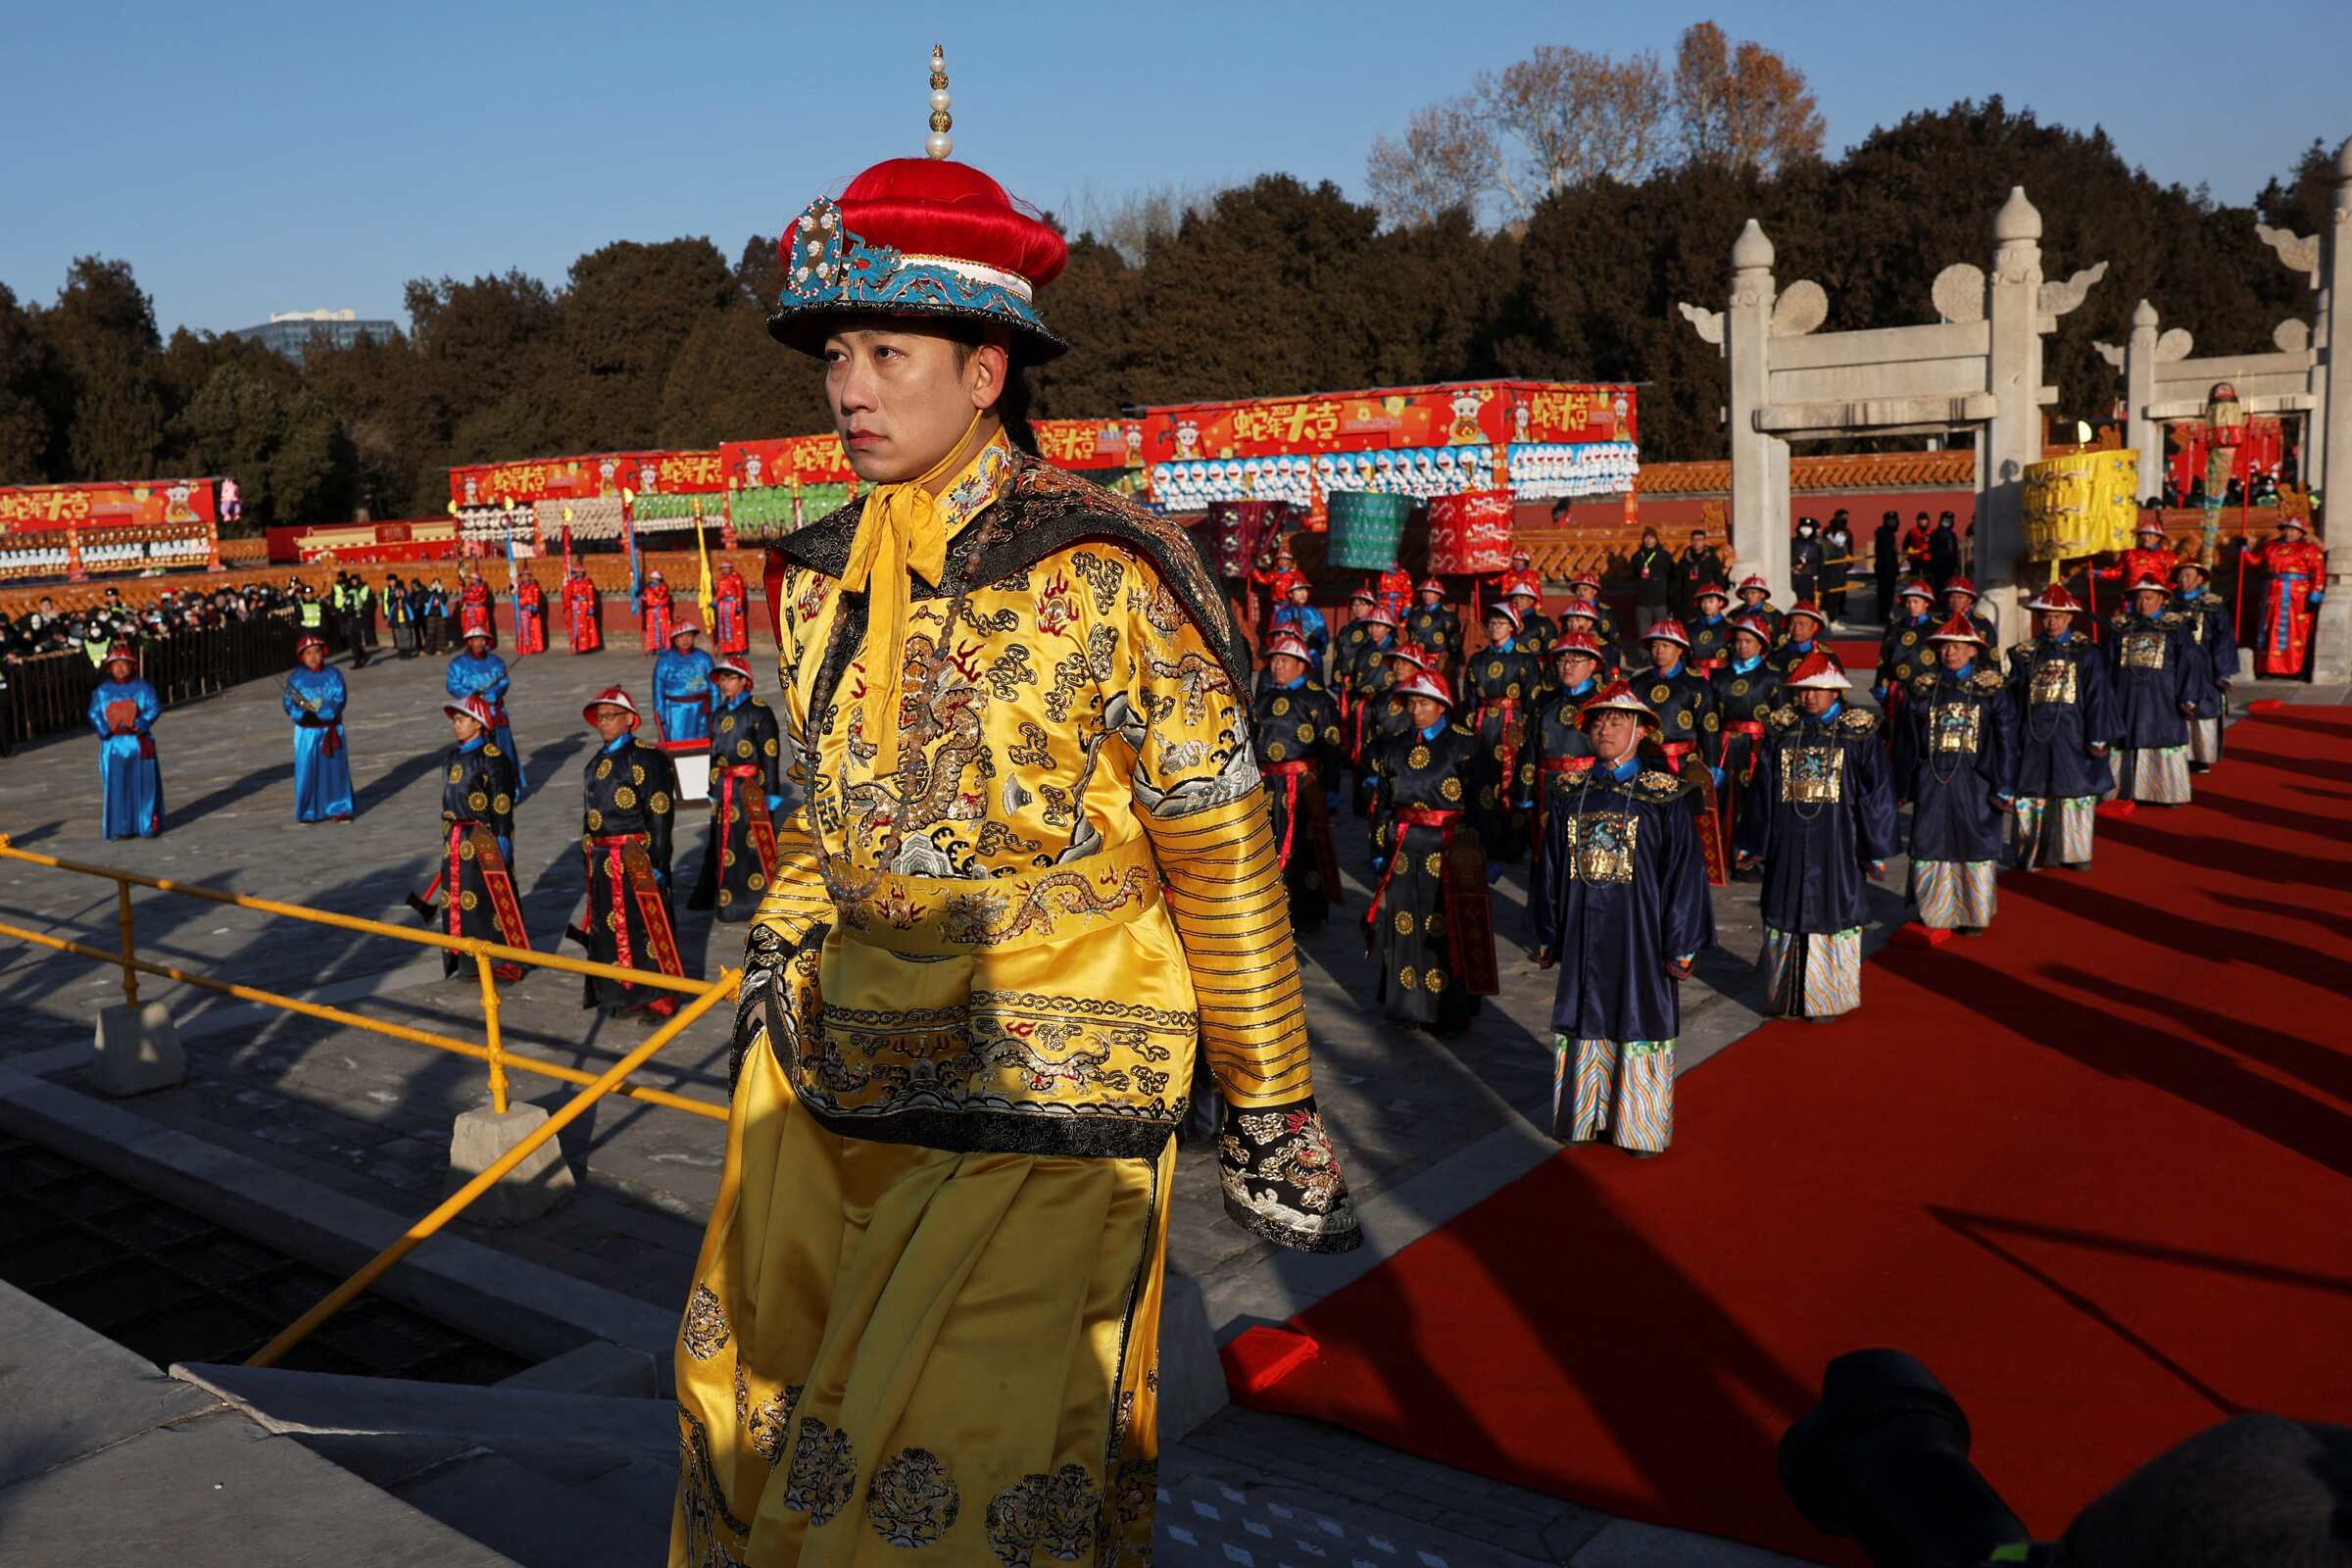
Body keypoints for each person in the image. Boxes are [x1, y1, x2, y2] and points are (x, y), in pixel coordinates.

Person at [669, 124, 1356, 1568]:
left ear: (988, 373)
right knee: (753, 1417)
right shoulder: (817, 582)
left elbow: (1221, 852)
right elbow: (816, 816)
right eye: (837, 355)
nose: (849, 390)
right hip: (833, 1052)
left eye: (888, 357)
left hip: (1050, 1070)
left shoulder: (1105, 571)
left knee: (959, 1482)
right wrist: (781, 955)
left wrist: (1272, 1098)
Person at [1531, 681, 1711, 1151]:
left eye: (1616, 721)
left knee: (1640, 1015)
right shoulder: (1571, 793)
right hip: (1584, 931)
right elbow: (1549, 865)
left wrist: (1682, 942)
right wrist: (1548, 930)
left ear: (1640, 731)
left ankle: (1639, 1124)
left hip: (1641, 934)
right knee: (1585, 1011)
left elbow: (1684, 875)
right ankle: (1586, 1115)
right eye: (1598, 722)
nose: (1605, 729)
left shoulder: (1666, 797)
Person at [1735, 652, 1898, 1019]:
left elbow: (1877, 791)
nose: (1809, 697)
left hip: (1838, 840)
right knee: (1785, 906)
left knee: (1831, 909)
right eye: (1803, 690)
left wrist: (1874, 847)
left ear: (1836, 692)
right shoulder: (1783, 731)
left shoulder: (1858, 733)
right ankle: (1785, 995)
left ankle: (1826, 998)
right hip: (1788, 838)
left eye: (1818, 689)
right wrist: (1751, 840)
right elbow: (1762, 789)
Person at [1364, 665, 1492, 1034]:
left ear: (1442, 705)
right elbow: (1382, 804)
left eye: (1424, 703)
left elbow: (1483, 804)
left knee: (1445, 926)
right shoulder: (1394, 746)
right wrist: (1378, 848)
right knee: (1404, 924)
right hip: (1404, 848)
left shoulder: (1465, 746)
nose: (1416, 710)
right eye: (1412, 703)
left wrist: (1484, 852)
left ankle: (1449, 1011)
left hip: (1449, 848)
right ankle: (1408, 1005)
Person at [1894, 617, 2015, 934]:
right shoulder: (1923, 690)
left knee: (1972, 842)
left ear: (1973, 651)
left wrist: (2003, 784)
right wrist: (1902, 784)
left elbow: (2005, 740)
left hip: (1975, 780)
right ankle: (1934, 910)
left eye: (1958, 647)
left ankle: (1972, 913)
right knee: (1930, 840)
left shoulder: (1991, 691)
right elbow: (1908, 742)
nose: (1951, 652)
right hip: (1933, 779)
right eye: (1945, 646)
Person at [574, 688, 682, 1017]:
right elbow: (588, 817)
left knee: (644, 928)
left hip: (637, 859)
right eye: (600, 718)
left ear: (629, 719)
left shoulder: (646, 758)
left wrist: (658, 861)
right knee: (609, 929)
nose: (604, 724)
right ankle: (620, 993)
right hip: (605, 863)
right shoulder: (595, 764)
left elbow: (660, 812)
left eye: (611, 716)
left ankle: (656, 997)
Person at [2005, 584, 2117, 871]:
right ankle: (2031, 851)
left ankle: (2074, 852)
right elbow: (2014, 701)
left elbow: (2098, 697)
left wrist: (2099, 735)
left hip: (2073, 733)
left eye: (2057, 616)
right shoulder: (2024, 654)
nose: (2052, 622)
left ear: (2069, 618)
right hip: (2033, 735)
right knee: (2032, 790)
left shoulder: (2087, 653)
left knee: (2073, 789)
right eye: (2046, 616)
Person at [424, 693, 527, 981]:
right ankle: (465, 960)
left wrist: (503, 837)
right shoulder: (451, 758)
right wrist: (448, 838)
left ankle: (499, 960)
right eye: (455, 720)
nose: (456, 725)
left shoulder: (493, 759)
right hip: (456, 841)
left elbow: (502, 803)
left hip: (483, 839)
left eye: (461, 719)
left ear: (479, 723)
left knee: (488, 901)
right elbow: (448, 802)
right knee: (456, 901)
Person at [1251, 630, 1345, 929]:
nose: (1276, 666)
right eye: (1273, 660)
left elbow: (1331, 745)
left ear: (1301, 664)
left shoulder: (1318, 699)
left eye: (1283, 660)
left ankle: (1305, 914)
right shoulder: (1263, 698)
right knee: (1266, 844)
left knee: (1304, 850)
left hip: (1303, 785)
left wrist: (1331, 788)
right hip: (1266, 784)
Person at [686, 656, 783, 923]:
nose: (724, 684)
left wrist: (772, 793)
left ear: (744, 680)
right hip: (725, 791)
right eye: (722, 679)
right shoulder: (718, 714)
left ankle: (758, 903)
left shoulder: (759, 711)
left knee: (753, 847)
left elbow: (770, 754)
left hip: (752, 791)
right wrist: (711, 788)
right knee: (725, 847)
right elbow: (713, 755)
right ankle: (729, 904)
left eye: (730, 678)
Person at [2106, 575, 2204, 807]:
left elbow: (2189, 664)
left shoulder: (2176, 628)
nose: (2143, 603)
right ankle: (2122, 790)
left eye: (2149, 598)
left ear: (2161, 599)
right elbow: (2106, 665)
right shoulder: (2120, 628)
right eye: (2139, 598)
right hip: (2126, 696)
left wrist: (2188, 696)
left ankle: (2162, 793)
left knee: (2161, 736)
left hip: (2163, 697)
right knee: (2124, 735)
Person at [1462, 602, 1542, 862]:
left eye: (1501, 622)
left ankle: (1513, 845)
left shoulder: (1525, 659)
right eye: (1492, 622)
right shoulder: (1478, 660)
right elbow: (1470, 699)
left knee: (1513, 781)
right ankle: (1484, 840)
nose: (1495, 627)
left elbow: (1532, 700)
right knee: (1483, 781)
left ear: (1513, 626)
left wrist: (1528, 732)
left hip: (1513, 725)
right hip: (1484, 725)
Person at [88, 643, 164, 840]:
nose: (120, 668)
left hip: (139, 742)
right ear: (109, 668)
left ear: (132, 666)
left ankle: (146, 824)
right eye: (116, 664)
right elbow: (94, 712)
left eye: (124, 664)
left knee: (145, 786)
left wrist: (143, 722)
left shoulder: (143, 687)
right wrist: (105, 730)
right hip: (114, 745)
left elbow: (154, 707)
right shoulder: (102, 690)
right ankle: (122, 827)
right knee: (118, 787)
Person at [2170, 558, 2236, 768]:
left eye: (2188, 575)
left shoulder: (2212, 605)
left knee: (2203, 708)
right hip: (2174, 666)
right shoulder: (2169, 604)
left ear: (2199, 579)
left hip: (2204, 666)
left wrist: (2222, 671)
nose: (2183, 579)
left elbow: (2224, 638)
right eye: (2180, 575)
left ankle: (2201, 755)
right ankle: (2180, 754)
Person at [282, 633, 354, 824]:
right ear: (302, 657)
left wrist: (322, 714)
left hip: (329, 729)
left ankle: (340, 807)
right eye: (308, 654)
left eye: (316, 652)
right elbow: (289, 703)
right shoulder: (296, 678)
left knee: (335, 769)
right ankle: (308, 810)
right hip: (306, 732)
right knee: (307, 770)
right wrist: (303, 715)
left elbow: (339, 699)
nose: (313, 657)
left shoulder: (334, 675)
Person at [2244, 515, 2326, 678]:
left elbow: (2319, 573)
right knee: (2269, 628)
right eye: (2286, 529)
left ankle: (2296, 669)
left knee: (2296, 631)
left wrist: (2315, 595)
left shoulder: (2310, 550)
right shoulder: (2270, 547)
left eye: (2293, 530)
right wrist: (2244, 549)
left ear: (2300, 532)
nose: (2289, 533)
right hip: (2272, 594)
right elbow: (2255, 562)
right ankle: (2269, 668)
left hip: (2297, 596)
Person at [445, 628, 525, 796]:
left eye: (481, 639)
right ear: (469, 642)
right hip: (471, 715)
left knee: (502, 751)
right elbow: (452, 685)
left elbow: (503, 682)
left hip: (495, 713)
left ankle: (508, 790)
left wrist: (492, 694)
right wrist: (472, 694)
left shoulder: (496, 662)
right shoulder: (458, 663)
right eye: (474, 640)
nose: (478, 643)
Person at [1874, 580, 1939, 708]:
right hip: (1898, 689)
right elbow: (1883, 658)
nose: (1911, 606)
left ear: (1926, 603)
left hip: (1927, 689)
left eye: (1916, 602)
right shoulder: (1894, 626)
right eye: (1908, 602)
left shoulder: (1937, 628)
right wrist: (1880, 685)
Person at [651, 620, 716, 746]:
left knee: (702, 743)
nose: (685, 639)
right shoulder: (665, 660)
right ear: (675, 640)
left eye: (688, 635)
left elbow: (714, 686)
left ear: (693, 637)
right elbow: (658, 687)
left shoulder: (704, 658)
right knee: (678, 744)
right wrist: (660, 712)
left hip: (701, 710)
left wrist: (715, 710)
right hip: (676, 710)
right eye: (681, 636)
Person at [1268, 569, 1329, 675]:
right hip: (1290, 655)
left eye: (1305, 590)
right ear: (1290, 593)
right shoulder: (1283, 613)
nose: (1303, 594)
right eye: (1299, 590)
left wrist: (1318, 646)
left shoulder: (1315, 612)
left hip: (1312, 655)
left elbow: (1323, 634)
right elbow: (1276, 636)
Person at [1404, 576, 1461, 678]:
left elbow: (1454, 640)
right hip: (1415, 658)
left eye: (1431, 592)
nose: (1427, 595)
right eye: (1424, 592)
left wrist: (1453, 661)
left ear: (1439, 595)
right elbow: (1407, 634)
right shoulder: (1414, 612)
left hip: (1437, 659)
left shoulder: (1447, 615)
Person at [1628, 525, 1675, 637]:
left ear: (1656, 539)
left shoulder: (1665, 556)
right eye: (1646, 538)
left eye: (1651, 537)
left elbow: (1672, 575)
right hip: (1642, 602)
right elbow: (1634, 576)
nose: (1648, 540)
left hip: (1660, 602)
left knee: (1663, 633)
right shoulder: (1637, 557)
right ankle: (1645, 655)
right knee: (1644, 634)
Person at [1501, 570, 1556, 664]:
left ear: (1531, 600)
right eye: (1514, 598)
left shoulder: (1543, 622)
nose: (1517, 601)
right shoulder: (1505, 621)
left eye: (1522, 598)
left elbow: (1551, 652)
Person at [1765, 601, 1829, 678]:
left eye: (1802, 624)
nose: (1796, 628)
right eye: (1793, 623)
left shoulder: (1826, 656)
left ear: (1815, 626)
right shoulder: (1775, 655)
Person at [1674, 528, 1725, 619]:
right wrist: (1677, 602)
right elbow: (1678, 582)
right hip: (1687, 603)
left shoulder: (1712, 559)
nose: (1696, 542)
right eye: (1693, 539)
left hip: (1705, 603)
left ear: (1704, 541)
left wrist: (1717, 600)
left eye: (1699, 539)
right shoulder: (1684, 560)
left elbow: (1719, 580)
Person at [1685, 583, 1735, 673]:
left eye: (1711, 601)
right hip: (1695, 674)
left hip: (1721, 674)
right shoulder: (1690, 627)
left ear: (1720, 603)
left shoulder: (1729, 626)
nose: (1707, 605)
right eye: (1704, 602)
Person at [710, 558, 752, 659]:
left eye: (726, 568)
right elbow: (719, 591)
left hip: (733, 606)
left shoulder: (737, 578)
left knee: (736, 628)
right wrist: (715, 600)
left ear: (730, 568)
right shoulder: (720, 579)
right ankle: (726, 649)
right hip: (723, 607)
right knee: (724, 628)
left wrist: (739, 605)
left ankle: (739, 648)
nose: (724, 570)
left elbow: (740, 593)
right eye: (722, 568)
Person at [1820, 510, 1854, 624]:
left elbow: (1850, 547)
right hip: (1830, 565)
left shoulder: (1847, 531)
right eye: (1842, 517)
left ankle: (1841, 608)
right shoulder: (1828, 530)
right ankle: (1828, 614)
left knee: (1841, 588)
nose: (1844, 519)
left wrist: (1850, 561)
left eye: (1846, 517)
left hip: (1842, 564)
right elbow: (1827, 546)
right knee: (1830, 591)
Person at [1939, 577, 1997, 646]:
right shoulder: (1939, 621)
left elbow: (1990, 649)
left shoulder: (1981, 623)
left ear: (1970, 599)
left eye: (1960, 597)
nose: (1955, 601)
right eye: (1952, 597)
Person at [563, 563, 603, 654]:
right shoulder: (571, 582)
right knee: (575, 627)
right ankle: (576, 646)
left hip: (584, 607)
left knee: (585, 627)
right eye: (576, 572)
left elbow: (590, 595)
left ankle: (585, 647)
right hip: (574, 608)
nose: (577, 574)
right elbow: (567, 594)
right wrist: (567, 605)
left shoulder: (587, 582)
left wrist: (591, 607)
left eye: (579, 572)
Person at [1734, 575, 1782, 647]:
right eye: (1746, 593)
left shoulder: (1774, 614)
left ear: (1762, 594)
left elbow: (1780, 641)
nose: (1749, 596)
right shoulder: (1735, 613)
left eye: (1753, 593)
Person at [1872, 510, 1901, 624]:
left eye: (1894, 521)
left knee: (1888, 593)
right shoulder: (1884, 533)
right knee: (1885, 594)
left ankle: (1886, 614)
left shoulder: (1889, 533)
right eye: (1890, 521)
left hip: (1889, 568)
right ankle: (1884, 616)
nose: (1892, 523)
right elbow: (1886, 554)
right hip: (1885, 568)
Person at [638, 568, 675, 654]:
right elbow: (645, 599)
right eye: (652, 578)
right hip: (651, 612)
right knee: (652, 630)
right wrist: (641, 597)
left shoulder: (663, 587)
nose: (653, 580)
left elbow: (661, 597)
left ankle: (663, 646)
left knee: (663, 629)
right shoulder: (647, 588)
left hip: (662, 611)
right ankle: (654, 647)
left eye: (655, 578)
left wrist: (651, 595)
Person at [1790, 516, 1824, 608]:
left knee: (1808, 601)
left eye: (1809, 527)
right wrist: (1795, 564)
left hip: (1808, 577)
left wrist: (1820, 583)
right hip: (1793, 576)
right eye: (1804, 527)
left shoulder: (1817, 545)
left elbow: (1820, 563)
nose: (1806, 529)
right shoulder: (1792, 542)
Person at [458, 565, 495, 643]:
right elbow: (465, 596)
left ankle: (483, 643)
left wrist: (464, 592)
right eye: (471, 578)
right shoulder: (470, 588)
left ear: (477, 579)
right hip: (470, 610)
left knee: (480, 627)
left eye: (472, 578)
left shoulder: (481, 587)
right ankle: (471, 643)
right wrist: (462, 586)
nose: (471, 580)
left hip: (479, 611)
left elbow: (473, 596)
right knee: (470, 627)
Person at [385, 573, 419, 659]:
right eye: (397, 589)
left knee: (407, 636)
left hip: (406, 619)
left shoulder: (407, 594)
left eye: (400, 589)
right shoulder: (392, 595)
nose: (399, 591)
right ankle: (401, 652)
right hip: (396, 619)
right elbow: (388, 602)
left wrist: (404, 598)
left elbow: (411, 603)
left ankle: (408, 652)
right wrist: (395, 597)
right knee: (398, 636)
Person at [1927, 511, 1962, 592]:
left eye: (1949, 521)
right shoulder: (1935, 533)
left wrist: (1955, 562)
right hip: (1939, 564)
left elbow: (1955, 549)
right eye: (1945, 520)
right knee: (1939, 585)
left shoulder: (1952, 534)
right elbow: (1931, 548)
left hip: (1950, 564)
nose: (1946, 522)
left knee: (1949, 585)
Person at [514, 572, 548, 657]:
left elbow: (536, 598)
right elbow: (515, 596)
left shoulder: (534, 587)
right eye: (523, 576)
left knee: (534, 629)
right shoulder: (520, 587)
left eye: (527, 576)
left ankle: (536, 647)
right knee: (524, 630)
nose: (525, 578)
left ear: (530, 577)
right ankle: (525, 647)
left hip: (531, 611)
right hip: (523, 612)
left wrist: (534, 607)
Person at [421, 577, 450, 655]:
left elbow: (444, 600)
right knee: (430, 633)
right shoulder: (429, 591)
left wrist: (440, 592)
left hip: (440, 614)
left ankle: (440, 649)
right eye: (434, 583)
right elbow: (424, 598)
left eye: (437, 583)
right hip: (431, 614)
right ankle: (428, 649)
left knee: (441, 633)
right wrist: (430, 590)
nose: (436, 584)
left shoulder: (442, 591)